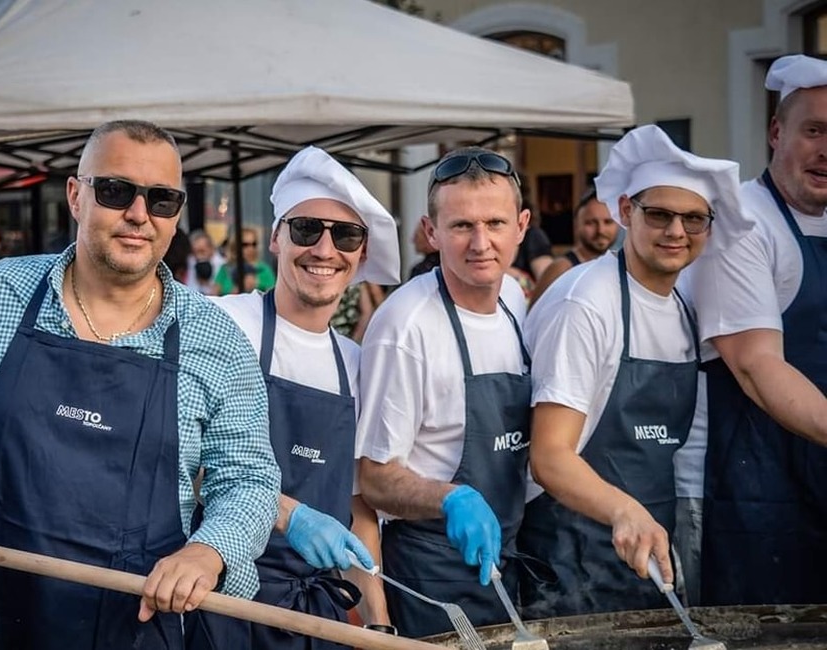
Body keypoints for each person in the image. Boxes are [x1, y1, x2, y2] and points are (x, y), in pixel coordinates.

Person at [0, 121, 281, 650]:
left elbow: (248, 476)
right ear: (75, 195)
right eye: (115, 191)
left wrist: (209, 550)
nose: (139, 214)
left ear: (176, 215)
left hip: (133, 624)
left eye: (161, 199)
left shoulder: (216, 338)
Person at [517, 125, 752, 618]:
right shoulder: (586, 303)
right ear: (626, 212)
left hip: (645, 552)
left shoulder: (685, 307)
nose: (676, 232)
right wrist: (624, 510)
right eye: (659, 214)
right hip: (571, 554)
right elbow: (550, 457)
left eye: (693, 219)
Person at [186, 146, 401, 649]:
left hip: (319, 615)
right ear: (277, 239)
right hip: (221, 599)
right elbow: (183, 461)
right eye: (306, 229)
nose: (325, 250)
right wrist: (289, 514)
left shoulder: (355, 364)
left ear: (361, 254)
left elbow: (358, 508)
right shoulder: (223, 323)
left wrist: (377, 625)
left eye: (345, 235)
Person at [356, 147, 532, 638]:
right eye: (461, 226)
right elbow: (373, 477)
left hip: (509, 561)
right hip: (432, 576)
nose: (481, 243)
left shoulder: (515, 302)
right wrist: (452, 497)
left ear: (521, 226)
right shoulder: (405, 327)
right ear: (431, 232)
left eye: (495, 223)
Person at [690, 54, 827, 606]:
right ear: (776, 132)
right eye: (813, 130)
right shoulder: (744, 222)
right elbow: (755, 365)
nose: (826, 150)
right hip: (756, 494)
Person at [529, 185, 618, 305]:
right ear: (576, 225)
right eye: (591, 223)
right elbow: (534, 317)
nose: (600, 230)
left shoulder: (617, 266)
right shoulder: (561, 269)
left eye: (608, 222)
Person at [214, 227, 276, 295]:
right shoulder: (225, 269)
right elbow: (214, 293)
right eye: (245, 245)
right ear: (235, 246)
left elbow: (272, 294)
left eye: (254, 244)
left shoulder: (264, 269)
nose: (251, 248)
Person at [185, 229, 225, 293]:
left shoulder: (224, 267)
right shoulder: (190, 263)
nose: (198, 256)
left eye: (202, 251)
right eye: (195, 252)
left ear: (211, 248)